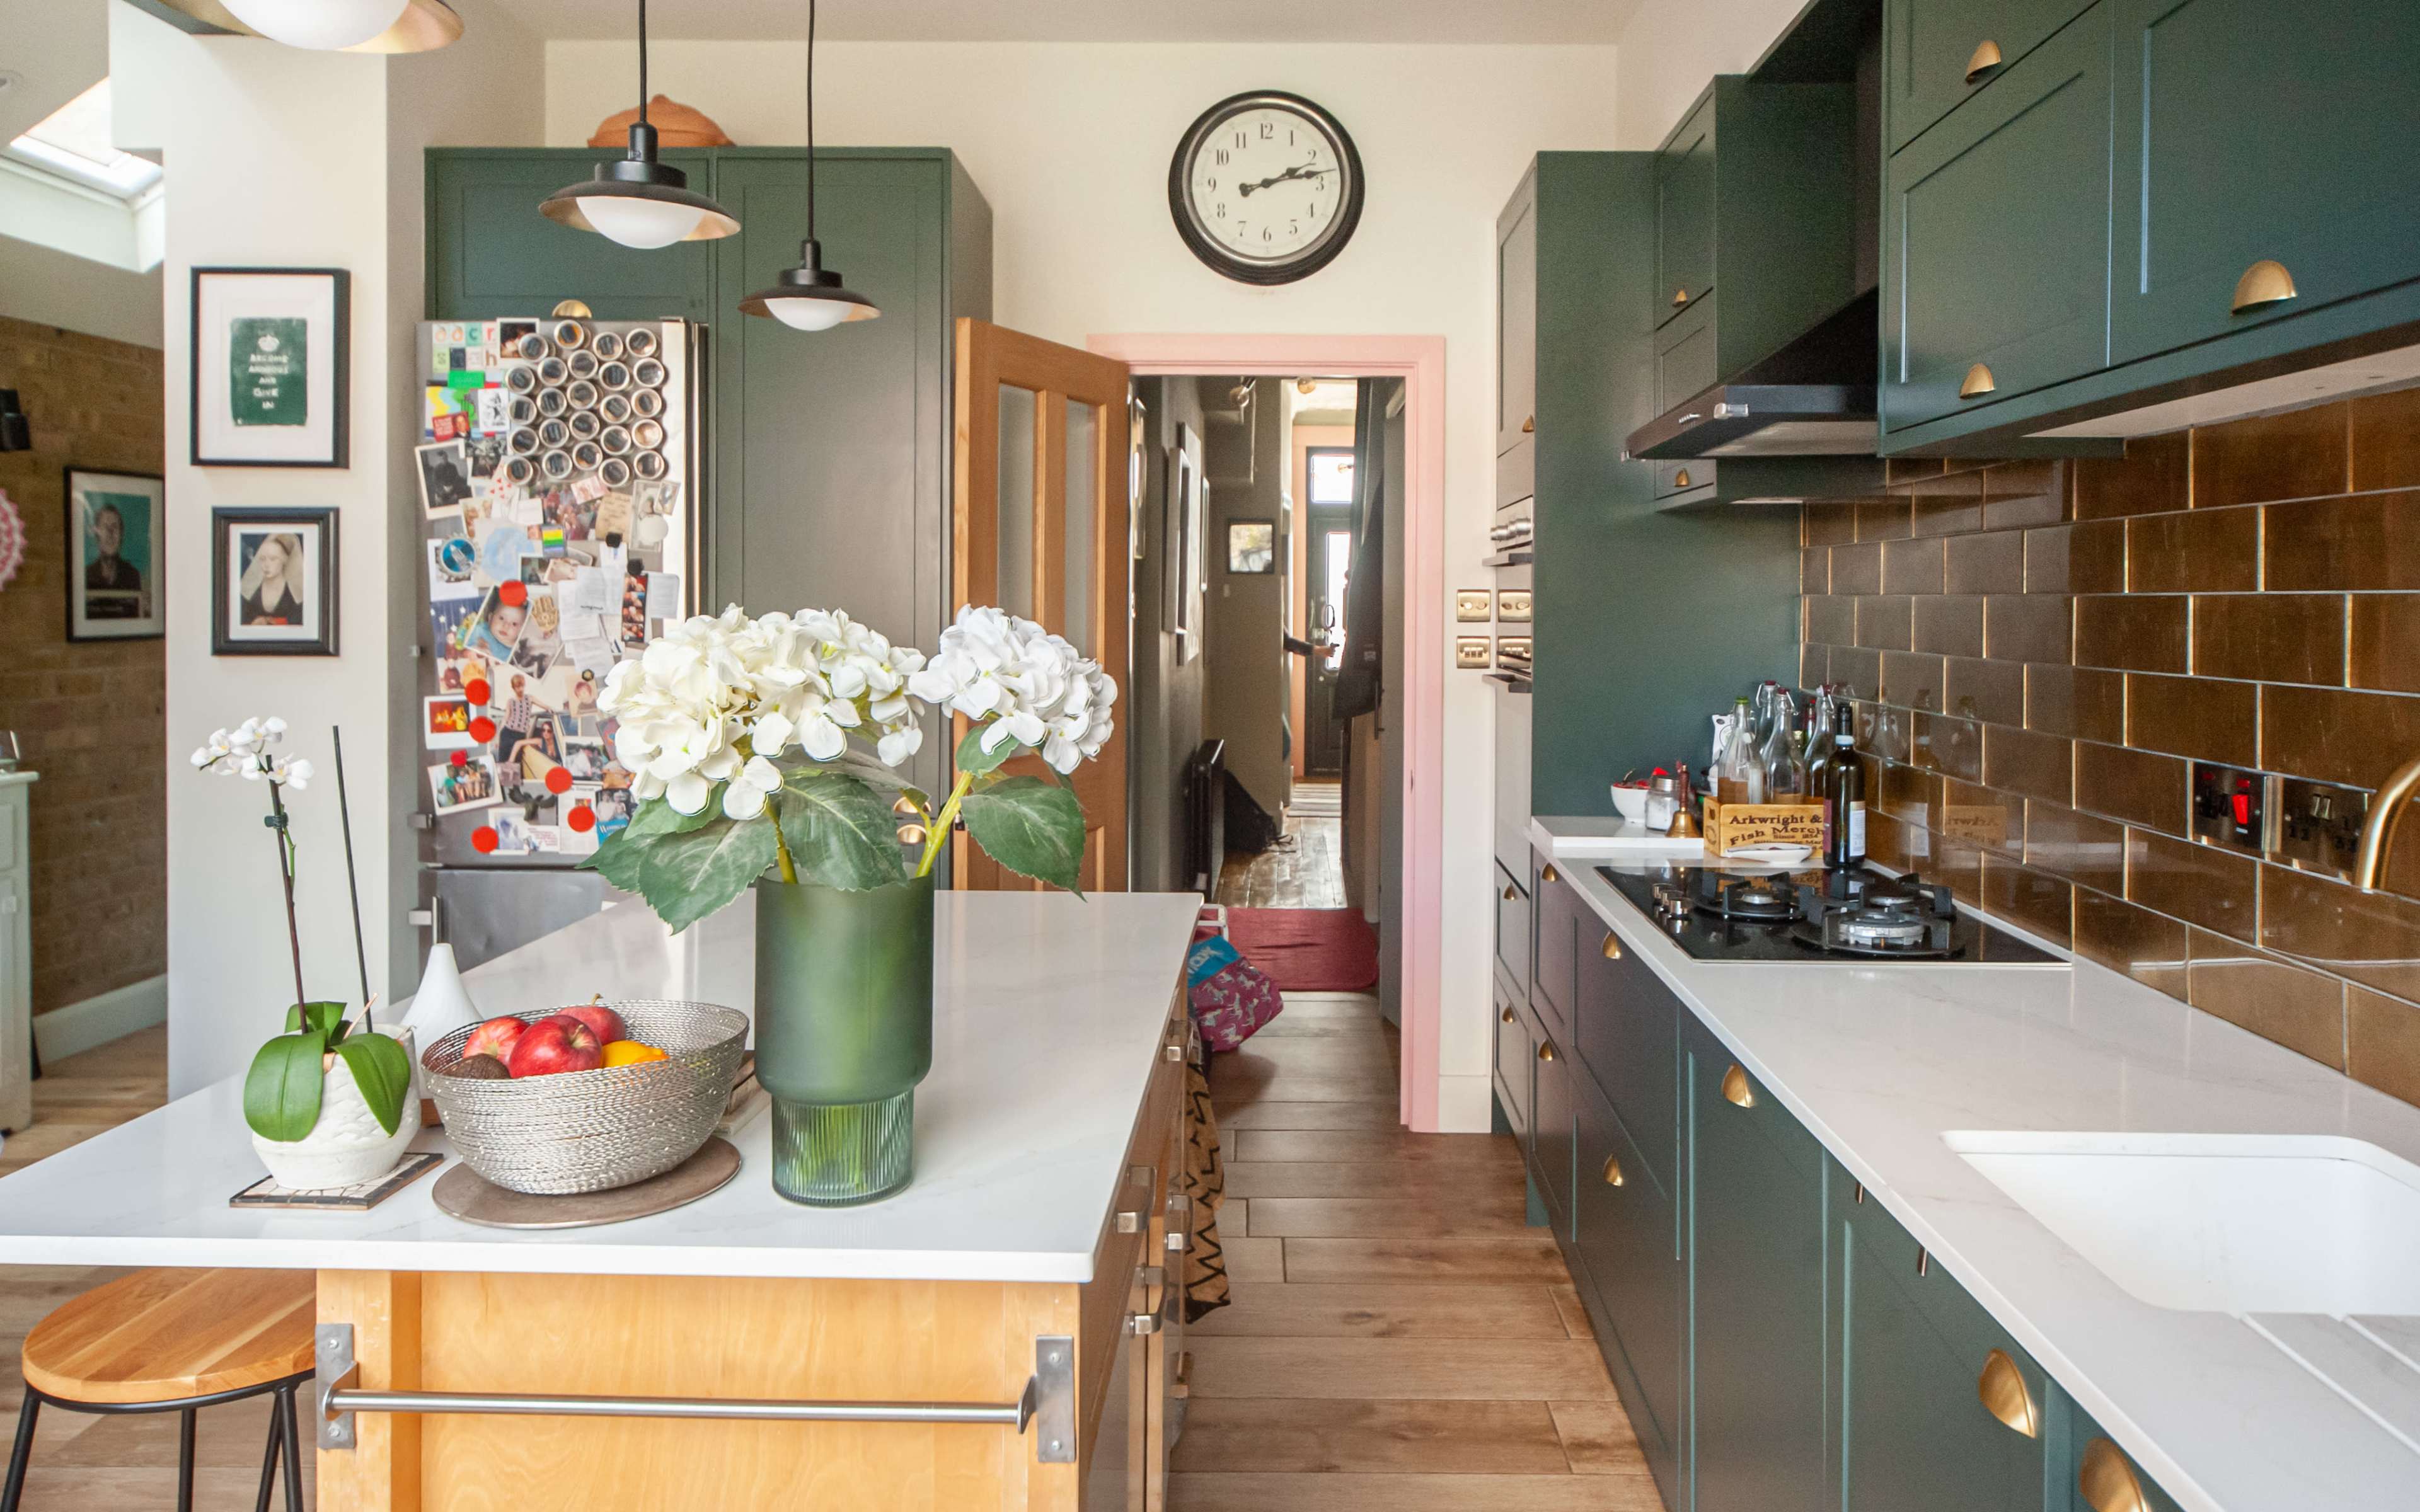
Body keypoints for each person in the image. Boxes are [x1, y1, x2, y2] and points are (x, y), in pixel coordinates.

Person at [83, 503, 146, 618]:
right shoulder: (85, 576)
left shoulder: (133, 576)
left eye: (115, 527)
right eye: (105, 527)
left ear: (121, 535)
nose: (110, 533)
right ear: (97, 534)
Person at [239, 532, 305, 626]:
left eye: (273, 559)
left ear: (285, 560)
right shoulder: (251, 591)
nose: (266, 565)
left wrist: (270, 622)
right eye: (263, 559)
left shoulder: (294, 594)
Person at [495, 675, 537, 767]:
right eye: (518, 687)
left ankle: (513, 782)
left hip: (520, 736)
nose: (521, 689)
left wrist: (549, 708)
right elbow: (505, 719)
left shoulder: (530, 698)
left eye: (522, 686)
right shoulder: (510, 701)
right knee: (503, 762)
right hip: (507, 733)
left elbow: (543, 705)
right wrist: (498, 738)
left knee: (516, 764)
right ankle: (503, 782)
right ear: (513, 688)